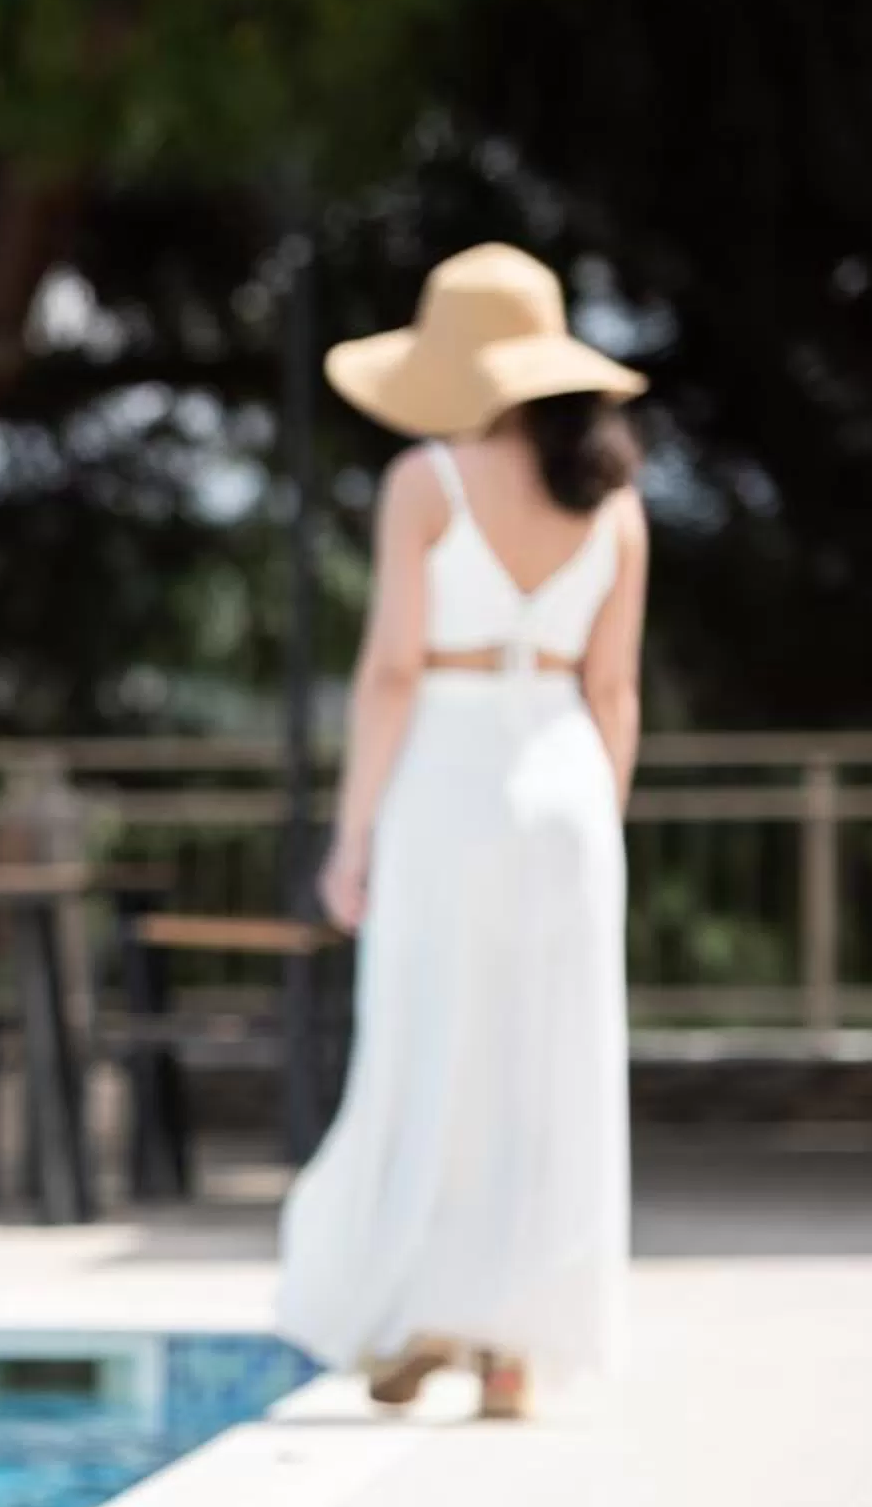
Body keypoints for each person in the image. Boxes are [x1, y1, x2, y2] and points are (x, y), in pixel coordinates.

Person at [278, 243, 652, 1421]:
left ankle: (426, 1311)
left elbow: (390, 670)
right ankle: (513, 1348)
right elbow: (615, 691)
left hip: (450, 779)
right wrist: (604, 817)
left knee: (432, 1046)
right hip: (570, 787)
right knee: (550, 1066)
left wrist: (351, 839)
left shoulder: (427, 482)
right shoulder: (619, 506)